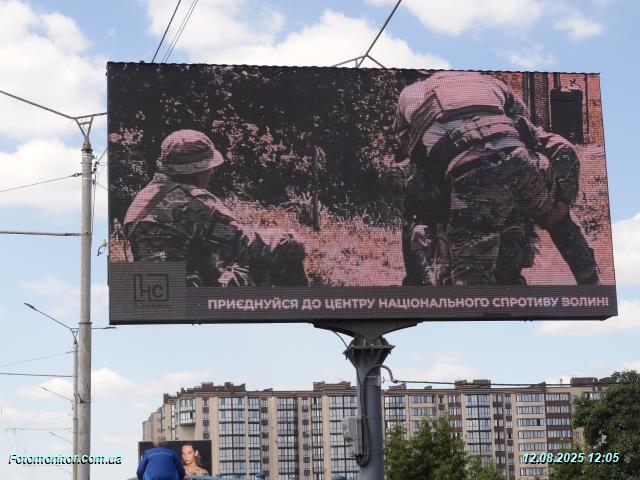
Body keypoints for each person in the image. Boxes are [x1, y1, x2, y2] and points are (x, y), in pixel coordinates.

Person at [393, 71, 599, 285]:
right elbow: (546, 134)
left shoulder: (411, 93)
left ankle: (419, 287)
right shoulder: (487, 82)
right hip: (522, 167)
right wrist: (562, 203)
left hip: (473, 178)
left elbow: (409, 155)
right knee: (557, 219)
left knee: (472, 286)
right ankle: (593, 287)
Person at [123, 129, 308, 287]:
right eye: (209, 167)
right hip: (188, 297)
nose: (212, 171)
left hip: (151, 291)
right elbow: (248, 245)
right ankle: (302, 310)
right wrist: (287, 240)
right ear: (199, 170)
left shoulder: (142, 199)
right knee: (286, 249)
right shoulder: (196, 203)